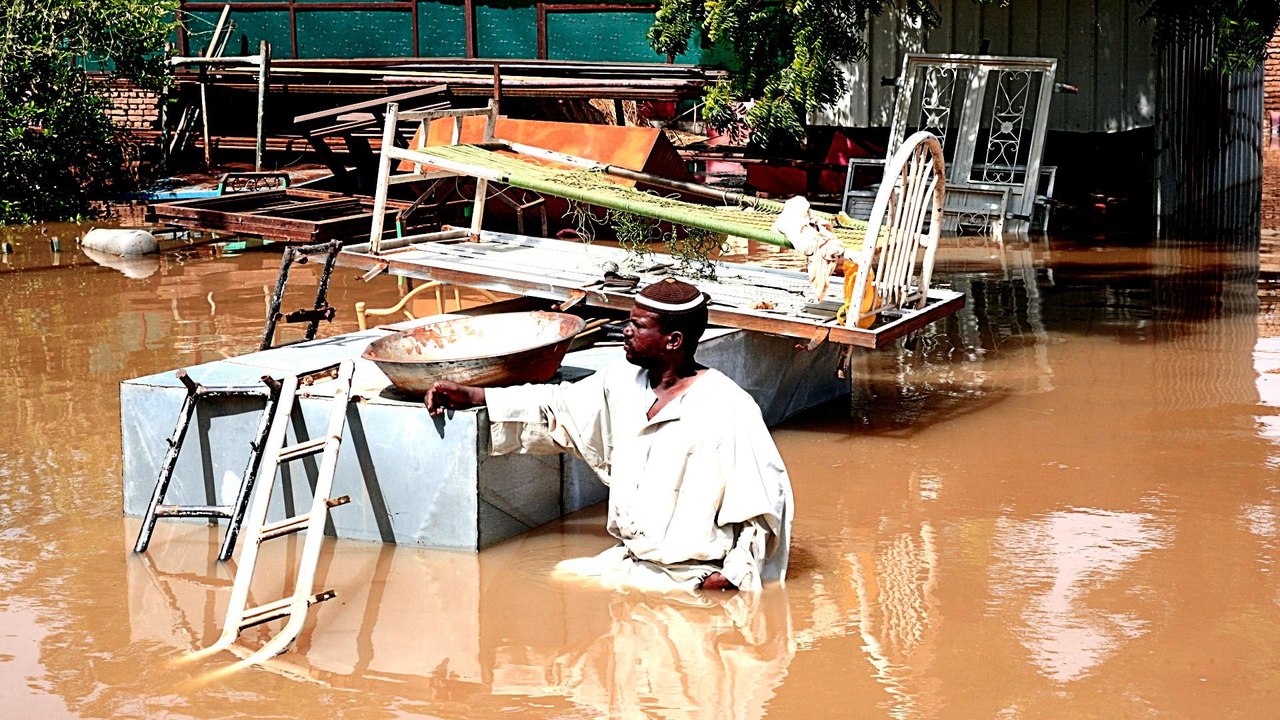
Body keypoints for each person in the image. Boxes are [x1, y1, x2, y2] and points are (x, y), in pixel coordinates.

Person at [425, 278, 793, 594]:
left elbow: (765, 506)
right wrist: (474, 395)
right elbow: (557, 407)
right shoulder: (621, 382)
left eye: (638, 325)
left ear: (673, 340)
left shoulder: (727, 406)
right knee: (553, 580)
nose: (626, 331)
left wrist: (731, 576)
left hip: (695, 578)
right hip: (631, 563)